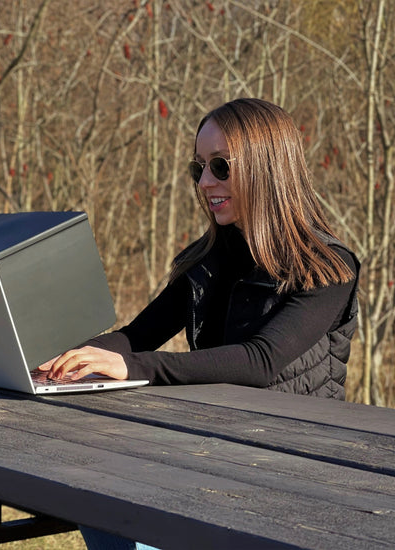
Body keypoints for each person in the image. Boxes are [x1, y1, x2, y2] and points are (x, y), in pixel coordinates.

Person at [39, 98, 360, 549]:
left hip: (292, 469)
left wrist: (135, 369)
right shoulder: (208, 259)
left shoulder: (326, 267)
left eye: (221, 167)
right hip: (213, 447)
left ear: (267, 168)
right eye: (199, 169)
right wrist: (67, 361)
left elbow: (259, 362)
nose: (206, 182)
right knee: (96, 491)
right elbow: (137, 336)